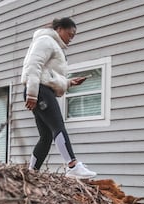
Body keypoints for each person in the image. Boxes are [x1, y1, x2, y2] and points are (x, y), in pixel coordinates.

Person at [21, 17, 97, 179]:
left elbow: (49, 76)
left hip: (41, 89)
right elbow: (34, 65)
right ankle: (73, 165)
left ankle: (31, 172)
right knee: (57, 125)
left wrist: (69, 82)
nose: (71, 38)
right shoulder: (46, 41)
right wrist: (32, 93)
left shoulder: (53, 45)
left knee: (46, 136)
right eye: (70, 34)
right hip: (39, 90)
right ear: (60, 29)